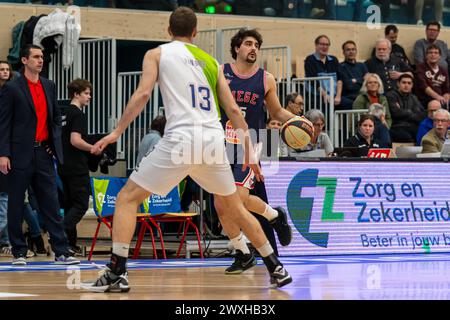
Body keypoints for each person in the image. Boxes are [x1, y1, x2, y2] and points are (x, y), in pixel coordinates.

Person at [82, 7, 293, 293]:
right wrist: (250, 151)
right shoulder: (211, 62)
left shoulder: (157, 53)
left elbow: (143, 93)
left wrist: (117, 131)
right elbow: (232, 109)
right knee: (235, 208)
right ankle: (275, 267)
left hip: (181, 140)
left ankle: (117, 271)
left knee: (127, 199)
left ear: (168, 31)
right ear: (195, 33)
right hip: (213, 142)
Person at [221, 28, 301, 273]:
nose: (253, 48)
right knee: (220, 206)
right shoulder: (222, 73)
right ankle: (244, 249)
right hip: (219, 142)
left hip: (250, 144)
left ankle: (273, 216)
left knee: (238, 198)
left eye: (256, 44)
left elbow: (276, 112)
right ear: (237, 48)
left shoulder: (266, 79)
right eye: (248, 43)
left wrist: (298, 120)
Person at [0, 44, 79, 266]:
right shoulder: (12, 88)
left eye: (42, 57)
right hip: (18, 154)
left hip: (43, 153)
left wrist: (52, 145)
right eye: (35, 57)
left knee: (51, 203)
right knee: (16, 203)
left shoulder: (49, 85)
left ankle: (61, 251)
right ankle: (19, 252)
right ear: (24, 61)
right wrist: (3, 154)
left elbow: (55, 117)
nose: (40, 60)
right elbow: (3, 124)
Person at [58, 79, 101, 256]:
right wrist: (93, 148)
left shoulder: (62, 114)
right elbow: (75, 140)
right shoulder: (78, 115)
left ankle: (70, 244)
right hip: (76, 167)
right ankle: (59, 235)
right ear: (76, 94)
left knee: (69, 206)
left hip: (62, 166)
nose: (89, 97)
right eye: (86, 93)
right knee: (81, 204)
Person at [305, 35, 345, 110]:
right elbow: (313, 81)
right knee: (324, 105)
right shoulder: (310, 59)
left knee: (348, 103)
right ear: (316, 45)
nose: (325, 47)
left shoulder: (334, 60)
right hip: (317, 96)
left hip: (334, 96)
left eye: (327, 44)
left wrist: (338, 96)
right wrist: (324, 94)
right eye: (322, 44)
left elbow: (340, 79)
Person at [386, 73, 425, 143]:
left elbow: (421, 115)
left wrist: (404, 112)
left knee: (425, 134)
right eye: (403, 82)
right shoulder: (391, 95)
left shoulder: (413, 97)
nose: (406, 85)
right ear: (398, 84)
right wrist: (411, 112)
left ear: (412, 85)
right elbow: (395, 113)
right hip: (397, 126)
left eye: (409, 83)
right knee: (406, 136)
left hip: (413, 126)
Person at [415, 44, 450, 108]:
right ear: (426, 56)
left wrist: (446, 99)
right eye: (430, 52)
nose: (433, 55)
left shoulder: (443, 71)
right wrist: (438, 97)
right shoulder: (420, 68)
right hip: (426, 101)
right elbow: (424, 87)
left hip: (441, 99)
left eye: (436, 53)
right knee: (436, 104)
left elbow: (446, 89)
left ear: (440, 56)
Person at [339, 40, 368, 109]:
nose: (351, 52)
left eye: (353, 49)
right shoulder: (340, 66)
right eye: (348, 50)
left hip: (363, 96)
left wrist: (355, 80)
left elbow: (367, 82)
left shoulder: (362, 65)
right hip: (348, 98)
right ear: (343, 52)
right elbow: (348, 86)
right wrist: (361, 80)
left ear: (356, 51)